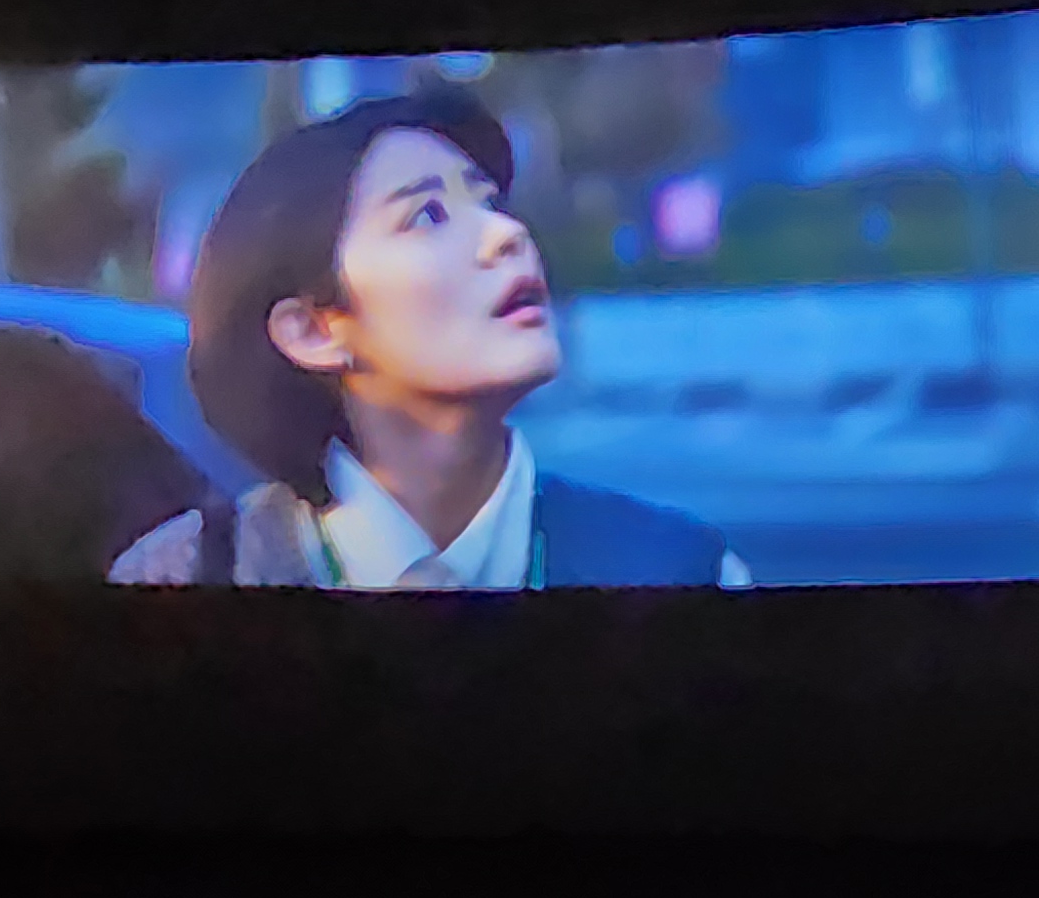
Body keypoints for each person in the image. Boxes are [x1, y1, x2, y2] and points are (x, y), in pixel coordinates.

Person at [111, 89, 748, 591]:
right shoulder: (189, 574)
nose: (505, 234)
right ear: (313, 329)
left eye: (491, 202)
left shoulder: (681, 570)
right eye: (428, 215)